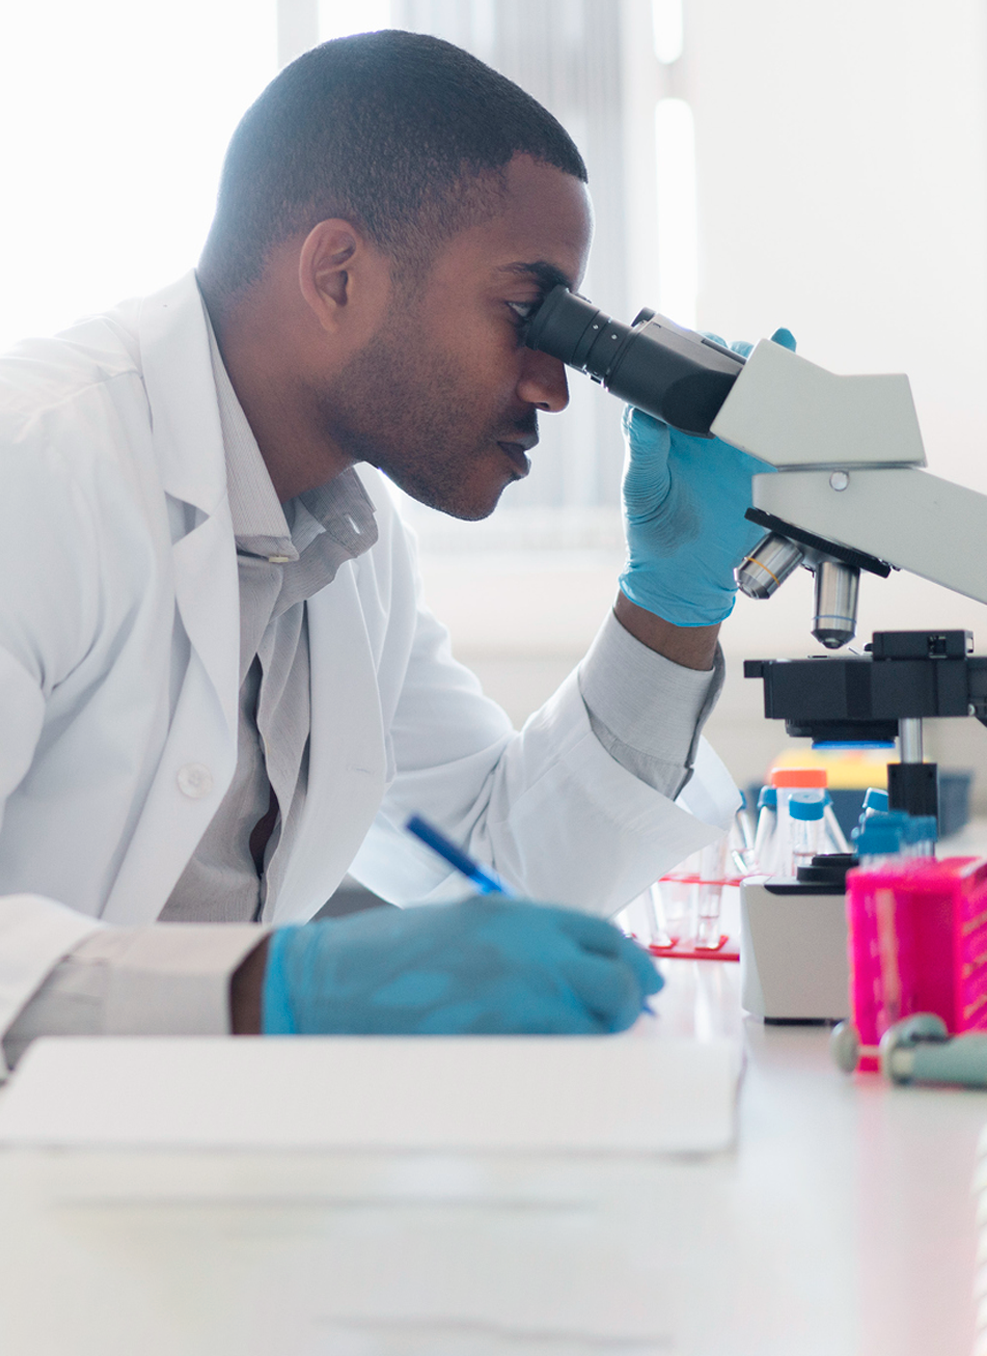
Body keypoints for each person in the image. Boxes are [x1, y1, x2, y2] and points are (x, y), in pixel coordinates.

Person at [0, 30, 769, 1069]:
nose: (553, 385)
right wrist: (282, 988)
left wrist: (672, 602)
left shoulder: (349, 546)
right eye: (525, 310)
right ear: (339, 275)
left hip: (179, 1173)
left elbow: (502, 872)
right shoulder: (36, 471)